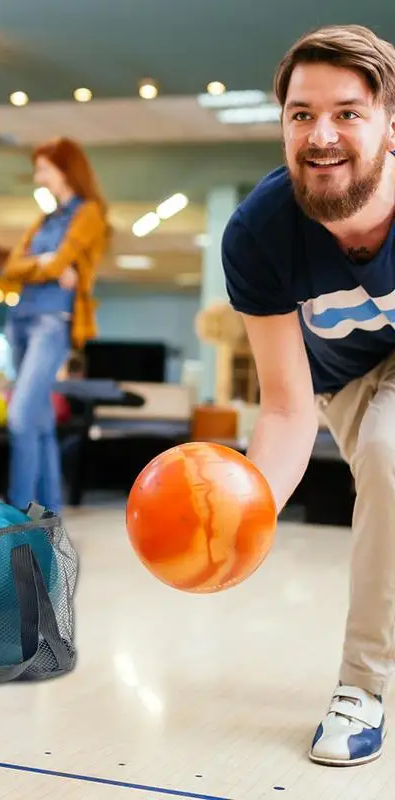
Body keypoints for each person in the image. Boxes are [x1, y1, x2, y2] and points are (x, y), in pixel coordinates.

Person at [222, 24, 395, 767]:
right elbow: (290, 409)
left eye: (349, 112)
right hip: (348, 379)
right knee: (389, 453)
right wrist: (240, 521)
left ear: (391, 124)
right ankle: (366, 688)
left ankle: (364, 680)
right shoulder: (258, 234)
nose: (321, 135)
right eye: (301, 114)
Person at [2, 137, 109, 513]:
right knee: (41, 424)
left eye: (44, 168)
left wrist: (45, 263)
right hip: (19, 320)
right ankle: (49, 514)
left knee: (19, 418)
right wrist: (45, 264)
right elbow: (11, 266)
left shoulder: (89, 214)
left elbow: (54, 261)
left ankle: (16, 516)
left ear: (65, 170)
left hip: (54, 322)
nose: (38, 175)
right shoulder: (45, 219)